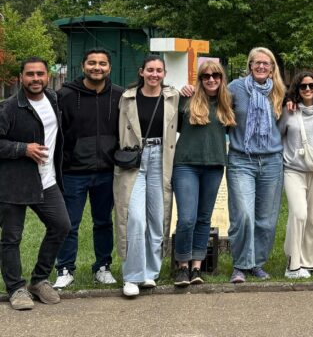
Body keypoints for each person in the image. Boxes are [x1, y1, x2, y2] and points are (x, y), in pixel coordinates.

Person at [0, 57, 71, 310]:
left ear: (47, 76)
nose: (35, 79)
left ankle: (39, 280)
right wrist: (22, 148)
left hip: (47, 180)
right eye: (30, 74)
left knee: (61, 225)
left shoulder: (53, 99)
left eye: (40, 74)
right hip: (14, 183)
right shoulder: (9, 107)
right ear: (21, 77)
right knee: (12, 238)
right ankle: (16, 288)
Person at [53, 48, 123, 289]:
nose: (97, 67)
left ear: (109, 68)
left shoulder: (119, 96)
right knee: (68, 223)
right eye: (92, 63)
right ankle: (64, 269)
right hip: (73, 172)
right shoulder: (65, 96)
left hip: (107, 171)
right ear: (83, 66)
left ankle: (102, 267)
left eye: (102, 63)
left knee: (103, 222)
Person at [115, 54, 180, 297]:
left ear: (164, 74)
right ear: (141, 72)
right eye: (150, 70)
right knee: (135, 218)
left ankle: (150, 273)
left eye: (159, 70)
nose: (154, 74)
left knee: (158, 217)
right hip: (134, 160)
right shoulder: (127, 98)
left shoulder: (172, 97)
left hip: (162, 158)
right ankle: (131, 276)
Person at [172, 61, 236, 287]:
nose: (211, 79)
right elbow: (174, 126)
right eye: (206, 76)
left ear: (221, 78)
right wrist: (181, 90)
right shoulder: (186, 100)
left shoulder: (227, 102)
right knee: (187, 218)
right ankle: (182, 266)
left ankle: (197, 267)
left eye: (216, 76)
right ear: (199, 79)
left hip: (215, 165)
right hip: (186, 165)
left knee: (203, 218)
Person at [225, 47, 286, 283]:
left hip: (271, 161)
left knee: (266, 219)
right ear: (250, 65)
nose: (261, 66)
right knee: (243, 215)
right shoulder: (235, 88)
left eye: (266, 63)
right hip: (242, 159)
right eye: (257, 63)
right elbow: (216, 107)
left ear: (272, 68)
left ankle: (257, 263)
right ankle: (240, 265)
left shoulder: (279, 91)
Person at [279, 71, 313, 279]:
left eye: (311, 86)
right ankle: (293, 264)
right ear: (296, 90)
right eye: (303, 87)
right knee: (299, 213)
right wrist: (288, 100)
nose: (308, 89)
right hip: (293, 169)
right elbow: (279, 133)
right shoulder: (289, 110)